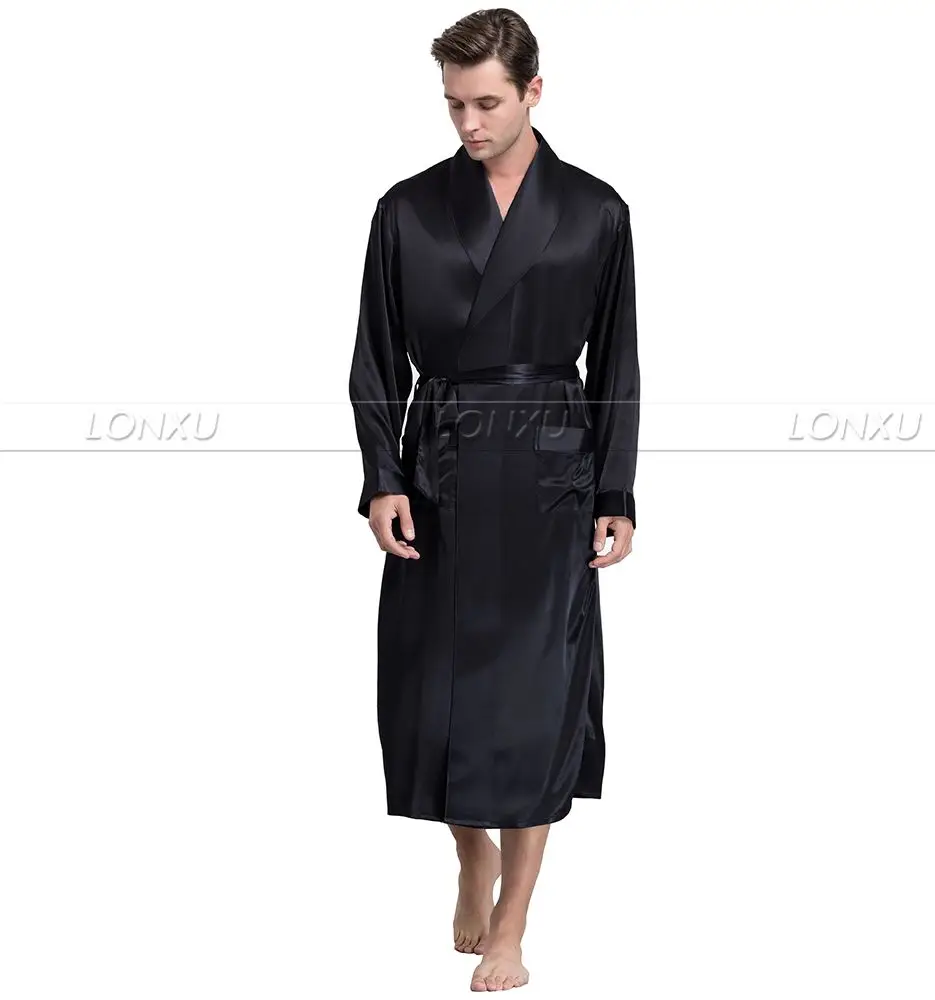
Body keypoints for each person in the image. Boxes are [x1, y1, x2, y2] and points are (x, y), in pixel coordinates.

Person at [348, 8, 639, 992]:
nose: (468, 124)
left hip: (551, 475)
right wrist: (382, 477)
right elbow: (375, 358)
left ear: (532, 93)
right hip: (441, 470)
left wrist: (616, 488)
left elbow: (618, 363)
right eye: (452, 105)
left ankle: (514, 920)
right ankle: (470, 850)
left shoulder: (596, 210)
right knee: (433, 688)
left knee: (535, 697)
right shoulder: (407, 209)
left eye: (486, 103)